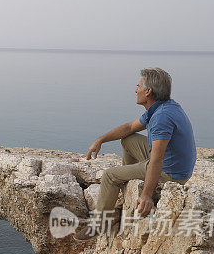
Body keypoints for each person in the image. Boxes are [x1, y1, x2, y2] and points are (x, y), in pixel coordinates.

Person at [82, 67, 196, 235]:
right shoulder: (163, 107)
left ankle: (99, 224)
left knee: (110, 175)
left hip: (171, 172)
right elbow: (129, 127)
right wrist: (101, 140)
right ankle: (128, 184)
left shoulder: (161, 118)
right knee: (129, 139)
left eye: (139, 86)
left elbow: (157, 159)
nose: (136, 90)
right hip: (175, 162)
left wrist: (146, 195)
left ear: (148, 91)